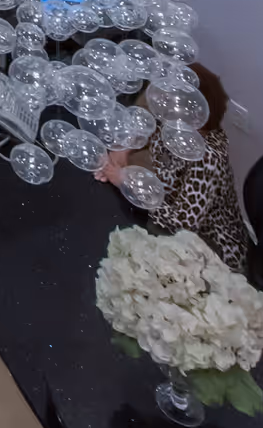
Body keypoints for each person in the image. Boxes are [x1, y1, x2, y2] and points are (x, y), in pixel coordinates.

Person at [97, 63, 250, 273]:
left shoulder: (207, 158)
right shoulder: (175, 127)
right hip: (167, 211)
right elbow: (147, 132)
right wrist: (122, 154)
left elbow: (182, 224)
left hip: (209, 246)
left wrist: (127, 182)